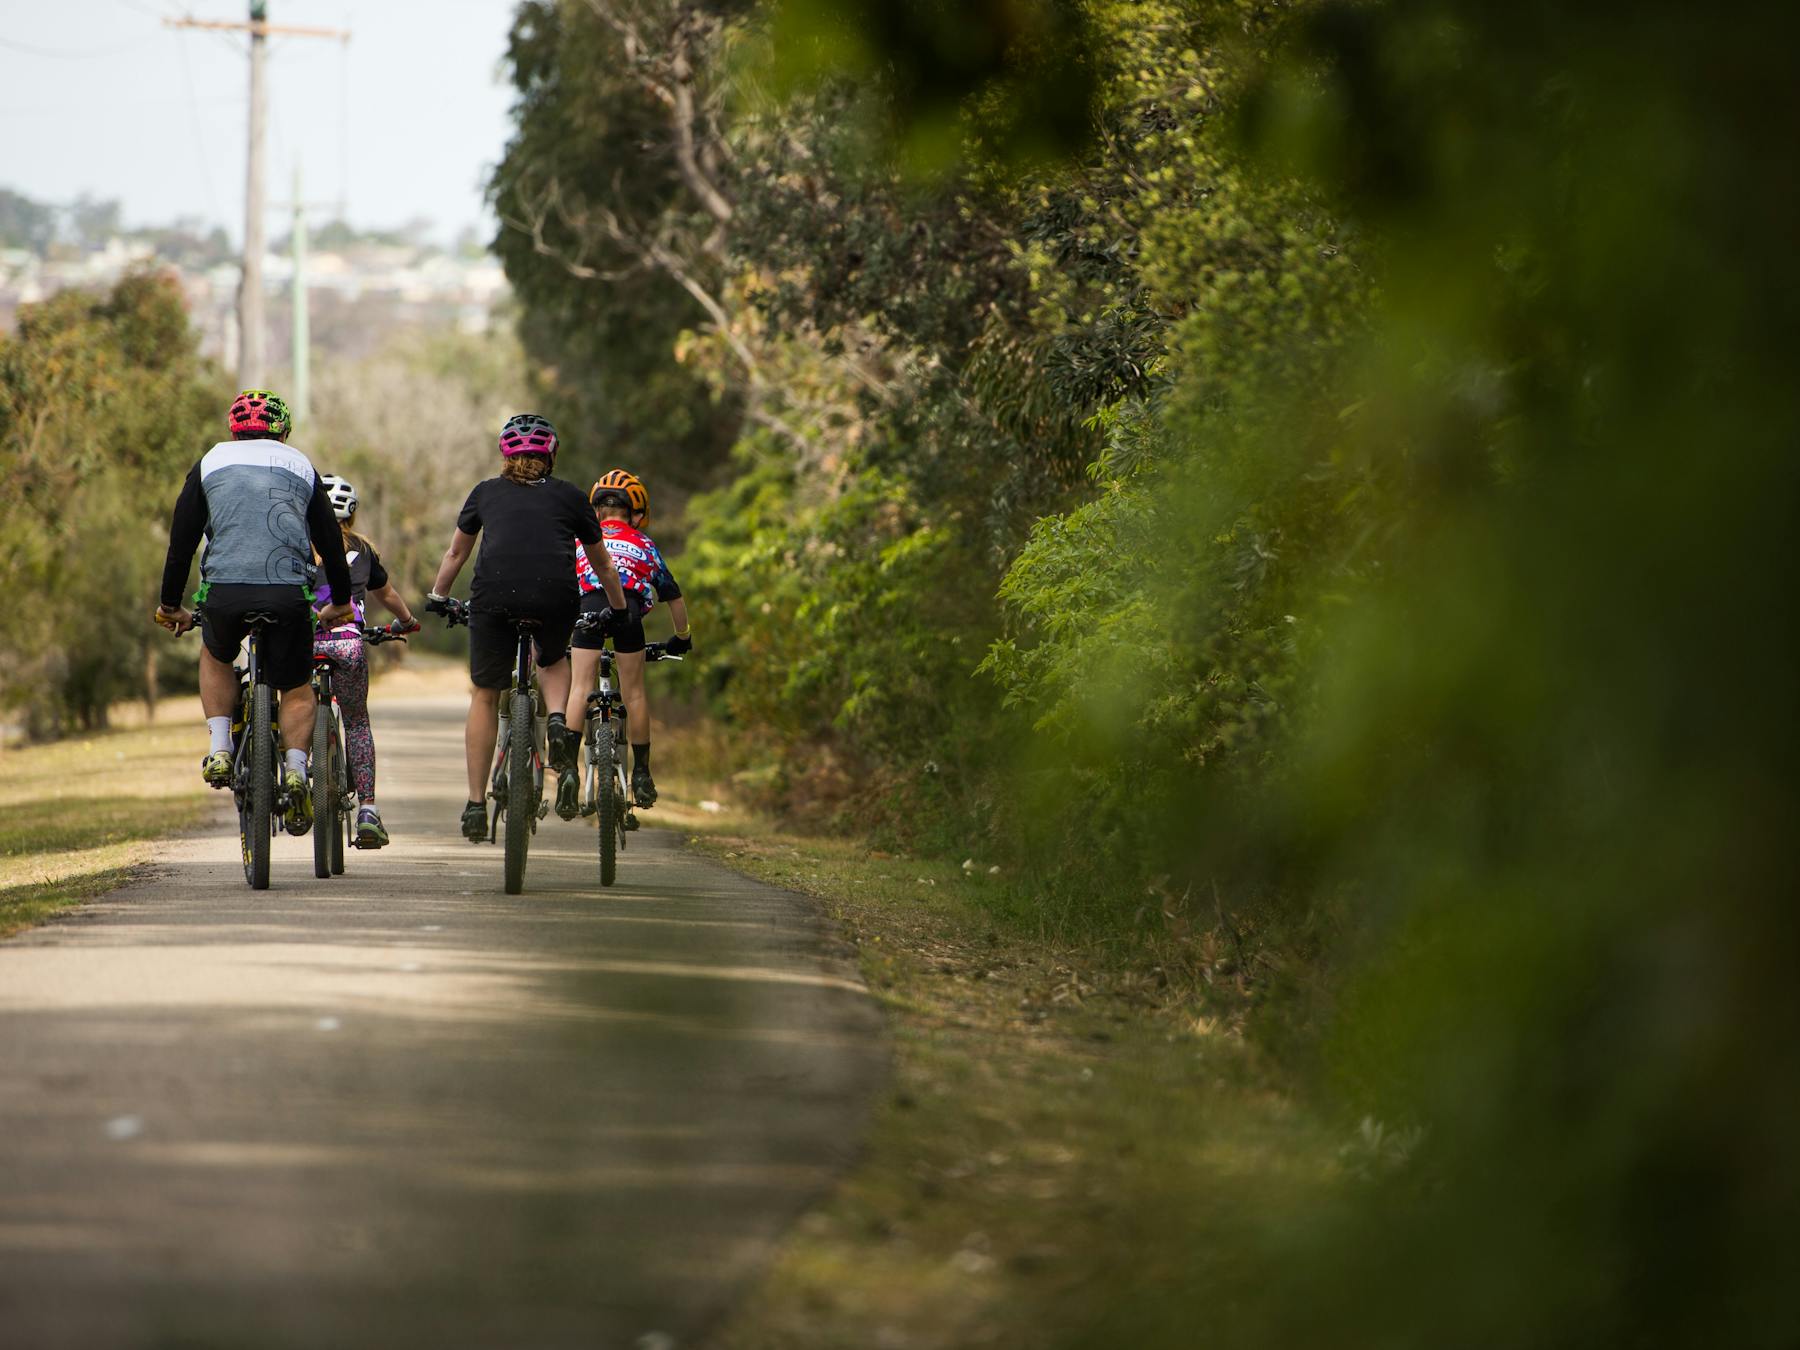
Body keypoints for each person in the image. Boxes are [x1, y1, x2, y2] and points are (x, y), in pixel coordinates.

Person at [154, 389, 353, 836]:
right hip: (288, 595)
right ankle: (299, 769)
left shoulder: (210, 462)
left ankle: (221, 746)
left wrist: (171, 606)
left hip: (225, 592)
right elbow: (330, 541)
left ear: (233, 428)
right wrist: (340, 600)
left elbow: (182, 542)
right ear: (283, 430)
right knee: (297, 686)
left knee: (216, 653)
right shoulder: (301, 464)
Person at [425, 414, 626, 842]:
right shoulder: (572, 497)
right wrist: (619, 608)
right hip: (555, 597)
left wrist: (439, 597)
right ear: (550, 455)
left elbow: (456, 554)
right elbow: (602, 563)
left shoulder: (485, 493)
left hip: (493, 598)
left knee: (484, 693)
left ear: (505, 454)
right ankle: (556, 723)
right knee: (552, 660)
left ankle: (476, 805)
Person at [558, 468, 692, 817]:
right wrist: (682, 638)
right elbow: (673, 596)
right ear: (636, 512)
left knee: (579, 688)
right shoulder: (645, 544)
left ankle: (569, 773)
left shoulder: (581, 540)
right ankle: (643, 775)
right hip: (628, 612)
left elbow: (562, 588)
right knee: (633, 694)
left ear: (597, 511)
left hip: (587, 610)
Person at [309, 474, 421, 848]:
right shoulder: (362, 549)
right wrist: (407, 622)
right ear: (351, 516)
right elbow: (386, 593)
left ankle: (295, 771)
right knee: (356, 723)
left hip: (304, 646)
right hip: (349, 645)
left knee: (293, 705)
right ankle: (368, 812)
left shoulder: (295, 547)